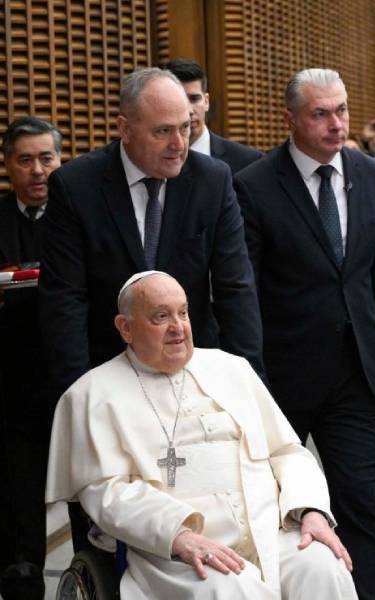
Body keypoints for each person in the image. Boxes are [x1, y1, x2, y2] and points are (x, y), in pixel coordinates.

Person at [45, 271, 357, 600]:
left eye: (183, 312)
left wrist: (310, 511)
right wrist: (177, 535)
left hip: (271, 536)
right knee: (232, 587)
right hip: (174, 556)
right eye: (161, 316)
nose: (178, 327)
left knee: (323, 565)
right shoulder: (93, 394)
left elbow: (287, 452)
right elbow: (107, 492)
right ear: (125, 327)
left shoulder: (232, 368)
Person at [233, 68, 375, 599]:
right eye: (320, 114)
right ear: (291, 119)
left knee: (361, 508)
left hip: (356, 376)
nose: (336, 124)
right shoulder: (254, 185)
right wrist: (250, 379)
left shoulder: (372, 174)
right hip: (282, 379)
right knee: (274, 510)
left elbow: (372, 281)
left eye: (342, 110)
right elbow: (244, 292)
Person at [38, 66, 264, 411]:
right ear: (125, 129)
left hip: (193, 374)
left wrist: (248, 387)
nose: (179, 145)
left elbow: (236, 290)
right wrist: (78, 398)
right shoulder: (75, 187)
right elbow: (65, 301)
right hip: (106, 378)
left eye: (186, 128)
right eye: (163, 131)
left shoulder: (213, 182)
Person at [0, 116, 61, 600]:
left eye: (47, 158)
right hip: (14, 383)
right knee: (20, 504)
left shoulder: (77, 212)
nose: (38, 170)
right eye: (26, 160)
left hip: (71, 376)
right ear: (8, 166)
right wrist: (38, 282)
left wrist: (16, 281)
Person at [160, 58, 263, 174]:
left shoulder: (249, 162)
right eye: (179, 101)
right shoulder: (153, 160)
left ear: (206, 102)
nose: (189, 110)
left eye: (194, 99)